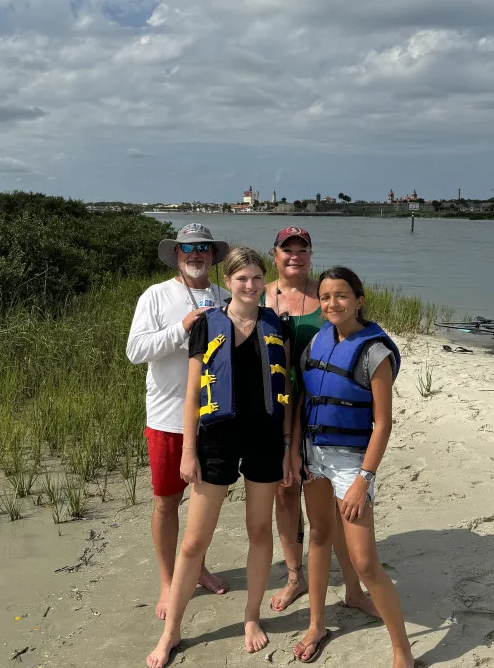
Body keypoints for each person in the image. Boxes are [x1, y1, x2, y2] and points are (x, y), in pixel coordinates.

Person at [146, 247, 294, 668]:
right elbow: (192, 394)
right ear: (227, 281)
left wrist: (286, 448)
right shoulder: (208, 324)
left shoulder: (276, 325)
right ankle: (171, 631)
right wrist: (188, 452)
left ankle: (252, 617)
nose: (249, 285)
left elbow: (288, 393)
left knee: (259, 532)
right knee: (193, 541)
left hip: (265, 439)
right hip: (216, 439)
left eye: (255, 278)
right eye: (241, 278)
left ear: (263, 282)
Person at [290, 266, 415, 667]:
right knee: (320, 534)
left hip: (351, 464)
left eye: (341, 295)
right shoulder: (316, 342)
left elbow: (384, 423)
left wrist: (364, 479)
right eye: (325, 297)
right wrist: (295, 451)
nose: (332, 304)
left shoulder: (374, 352)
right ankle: (316, 623)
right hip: (314, 456)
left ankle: (402, 651)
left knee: (364, 561)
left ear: (358, 299)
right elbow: (302, 398)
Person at [262, 226, 379, 618]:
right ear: (275, 254)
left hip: (318, 413)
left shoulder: (327, 295)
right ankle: (295, 575)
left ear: (311, 254)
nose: (294, 255)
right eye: (286, 249)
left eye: (302, 249)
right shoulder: (259, 295)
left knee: (328, 509)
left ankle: (351, 586)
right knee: (284, 491)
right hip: (275, 409)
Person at [126, 223, 231, 620]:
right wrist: (182, 327)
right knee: (167, 503)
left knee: (205, 504)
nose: (196, 254)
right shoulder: (155, 295)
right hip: (168, 418)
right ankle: (169, 580)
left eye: (204, 247)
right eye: (188, 248)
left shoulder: (224, 296)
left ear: (213, 255)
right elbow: (135, 350)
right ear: (176, 253)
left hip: (214, 418)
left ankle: (197, 567)